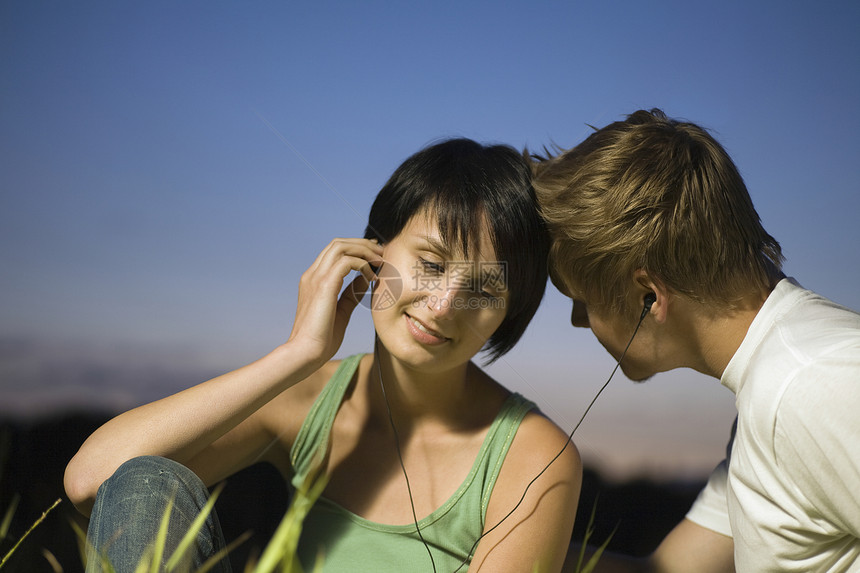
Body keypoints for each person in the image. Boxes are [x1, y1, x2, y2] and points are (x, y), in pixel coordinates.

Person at [64, 138, 581, 573]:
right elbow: (94, 481)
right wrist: (296, 356)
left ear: (508, 314)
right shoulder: (312, 399)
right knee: (149, 479)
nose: (444, 306)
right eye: (430, 262)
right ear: (373, 252)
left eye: (485, 290)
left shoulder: (532, 456)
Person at [532, 109, 860, 572]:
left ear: (650, 296)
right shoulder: (774, 387)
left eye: (582, 299)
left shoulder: (813, 385)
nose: (577, 321)